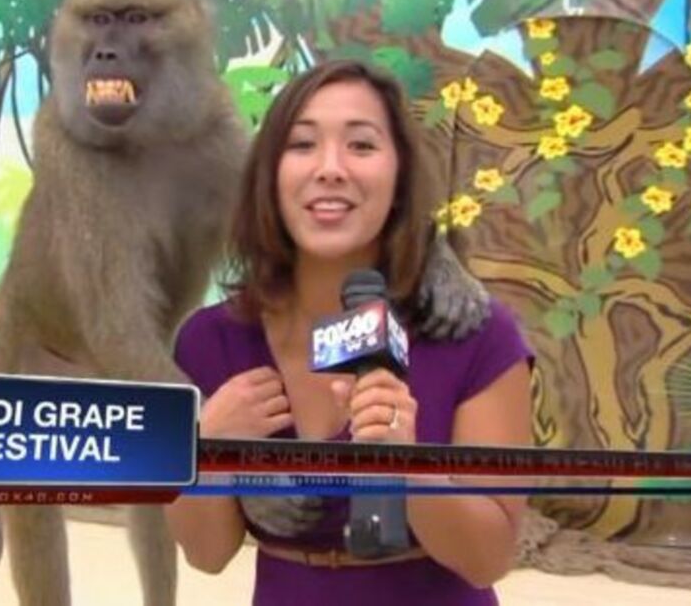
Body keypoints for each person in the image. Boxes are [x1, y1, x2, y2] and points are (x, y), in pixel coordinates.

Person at [164, 59, 534, 605]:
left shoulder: (480, 336)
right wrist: (206, 447)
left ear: (400, 176)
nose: (330, 168)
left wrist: (409, 466)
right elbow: (206, 553)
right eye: (302, 145)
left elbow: (489, 558)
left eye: (361, 146)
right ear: (269, 176)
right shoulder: (210, 341)